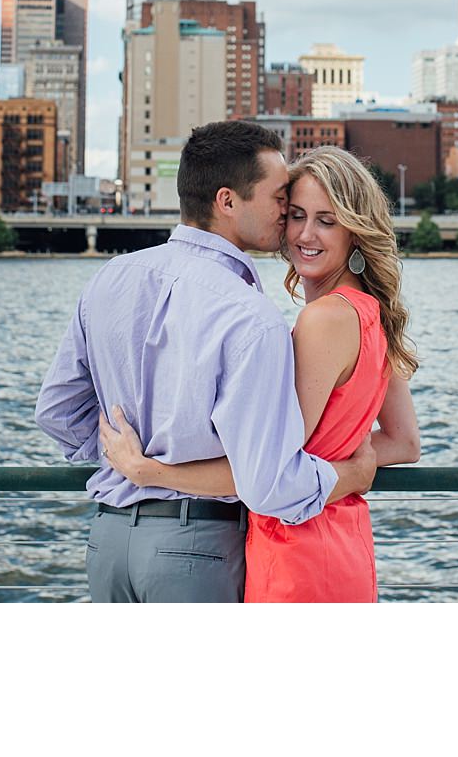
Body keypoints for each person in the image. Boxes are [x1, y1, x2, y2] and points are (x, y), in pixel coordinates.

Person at [35, 121, 378, 603]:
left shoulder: (109, 279)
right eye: (280, 199)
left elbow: (56, 413)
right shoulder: (252, 318)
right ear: (227, 201)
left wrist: (127, 459)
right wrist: (349, 476)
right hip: (198, 549)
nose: (286, 215)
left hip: (108, 543)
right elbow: (268, 482)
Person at [99, 145, 420, 602]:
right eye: (296, 215)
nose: (306, 234)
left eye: (327, 220)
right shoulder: (373, 314)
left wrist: (149, 471)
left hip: (295, 552)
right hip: (344, 543)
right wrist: (346, 465)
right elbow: (404, 443)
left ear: (356, 230)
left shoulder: (323, 320)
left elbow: (271, 474)